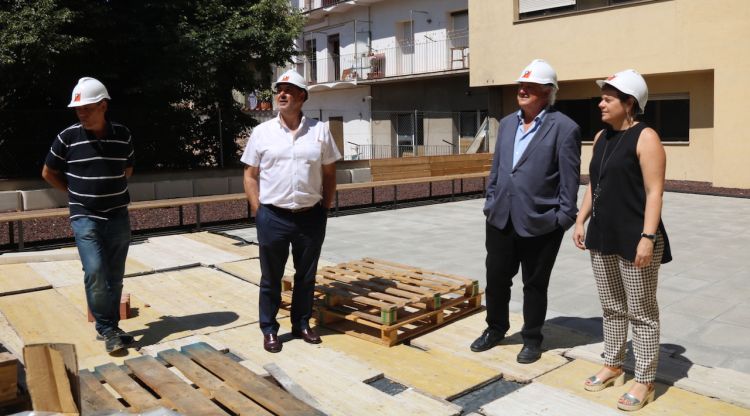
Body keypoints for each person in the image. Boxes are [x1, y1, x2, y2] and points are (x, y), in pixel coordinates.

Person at [573, 69, 672, 411]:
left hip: (635, 237)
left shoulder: (647, 138)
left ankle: (644, 379)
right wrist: (580, 219)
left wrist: (647, 236)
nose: (600, 103)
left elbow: (654, 191)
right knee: (612, 307)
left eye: (608, 98)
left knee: (641, 313)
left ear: (629, 103)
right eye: (602, 97)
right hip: (602, 235)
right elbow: (592, 183)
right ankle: (613, 363)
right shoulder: (602, 137)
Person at [472, 59, 582, 363]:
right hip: (500, 218)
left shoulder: (565, 128)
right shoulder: (507, 124)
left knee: (534, 284)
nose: (522, 90)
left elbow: (569, 180)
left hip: (542, 223)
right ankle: (495, 328)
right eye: (521, 85)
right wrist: (490, 201)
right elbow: (497, 169)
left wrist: (563, 219)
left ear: (547, 92)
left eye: (530, 87)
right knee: (495, 279)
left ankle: (532, 338)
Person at [241, 70, 341, 353]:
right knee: (271, 277)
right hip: (273, 216)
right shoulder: (262, 133)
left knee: (306, 276)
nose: (281, 94)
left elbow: (330, 173)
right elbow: (250, 175)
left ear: (302, 97)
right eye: (279, 90)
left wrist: (324, 208)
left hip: (310, 216)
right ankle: (270, 330)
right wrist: (258, 210)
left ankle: (301, 324)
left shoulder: (319, 131)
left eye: (288, 89)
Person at [42, 77, 135, 354]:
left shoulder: (123, 135)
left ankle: (112, 328)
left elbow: (127, 169)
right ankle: (106, 328)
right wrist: (75, 194)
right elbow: (48, 173)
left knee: (115, 274)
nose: (81, 113)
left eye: (87, 108)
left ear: (103, 105)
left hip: (118, 214)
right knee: (95, 271)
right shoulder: (67, 137)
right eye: (78, 110)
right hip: (85, 216)